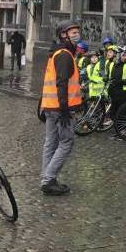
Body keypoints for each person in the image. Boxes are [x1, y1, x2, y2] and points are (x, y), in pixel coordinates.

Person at [40, 20, 84, 196]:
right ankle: (48, 179)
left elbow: (49, 81)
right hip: (60, 108)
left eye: (77, 31)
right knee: (66, 142)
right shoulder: (64, 54)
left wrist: (43, 104)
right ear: (63, 35)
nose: (76, 34)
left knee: (51, 143)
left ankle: (47, 178)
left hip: (51, 106)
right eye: (72, 32)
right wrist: (65, 109)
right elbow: (61, 83)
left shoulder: (57, 52)